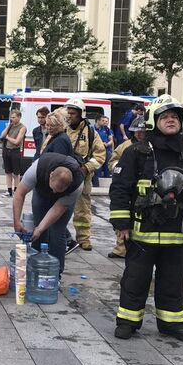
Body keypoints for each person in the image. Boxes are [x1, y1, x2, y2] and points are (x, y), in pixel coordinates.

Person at [110, 95, 183, 344]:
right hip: (142, 231)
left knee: (172, 281)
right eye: (165, 117)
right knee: (135, 279)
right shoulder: (137, 152)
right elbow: (119, 188)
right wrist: (121, 223)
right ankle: (128, 321)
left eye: (174, 117)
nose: (171, 120)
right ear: (153, 121)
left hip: (177, 230)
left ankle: (172, 325)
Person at [12, 153, 84, 277]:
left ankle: (56, 274)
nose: (54, 192)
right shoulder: (36, 169)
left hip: (63, 201)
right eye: (54, 188)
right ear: (51, 176)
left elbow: (58, 208)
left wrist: (40, 229)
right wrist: (17, 221)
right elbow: (19, 194)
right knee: (38, 232)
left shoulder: (76, 186)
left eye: (58, 191)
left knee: (57, 231)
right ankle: (35, 270)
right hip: (41, 192)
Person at [65, 98, 106, 251]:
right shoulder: (62, 129)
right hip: (63, 176)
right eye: (68, 112)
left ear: (81, 114)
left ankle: (83, 239)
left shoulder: (90, 132)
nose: (70, 116)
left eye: (73, 113)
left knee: (82, 208)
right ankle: (59, 237)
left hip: (82, 176)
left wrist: (86, 168)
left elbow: (100, 156)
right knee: (57, 207)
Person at [107, 118, 147, 259]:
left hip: (141, 189)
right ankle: (120, 249)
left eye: (143, 131)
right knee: (122, 217)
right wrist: (120, 168)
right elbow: (112, 161)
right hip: (125, 185)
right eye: (138, 131)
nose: (141, 134)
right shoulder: (125, 146)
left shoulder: (151, 147)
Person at [0, 110, 26, 197]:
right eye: (11, 117)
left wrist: (8, 137)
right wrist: (8, 127)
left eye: (14, 117)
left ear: (19, 117)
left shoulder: (22, 128)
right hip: (6, 150)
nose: (12, 119)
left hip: (15, 151)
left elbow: (17, 141)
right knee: (8, 172)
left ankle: (16, 190)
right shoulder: (10, 126)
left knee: (16, 173)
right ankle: (9, 190)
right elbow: (1, 136)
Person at [94, 115, 114, 181]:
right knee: (98, 167)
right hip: (96, 151)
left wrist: (107, 144)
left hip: (106, 150)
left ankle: (107, 179)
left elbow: (111, 140)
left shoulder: (107, 129)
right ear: (98, 121)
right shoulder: (92, 129)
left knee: (108, 166)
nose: (104, 122)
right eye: (102, 121)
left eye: (105, 121)